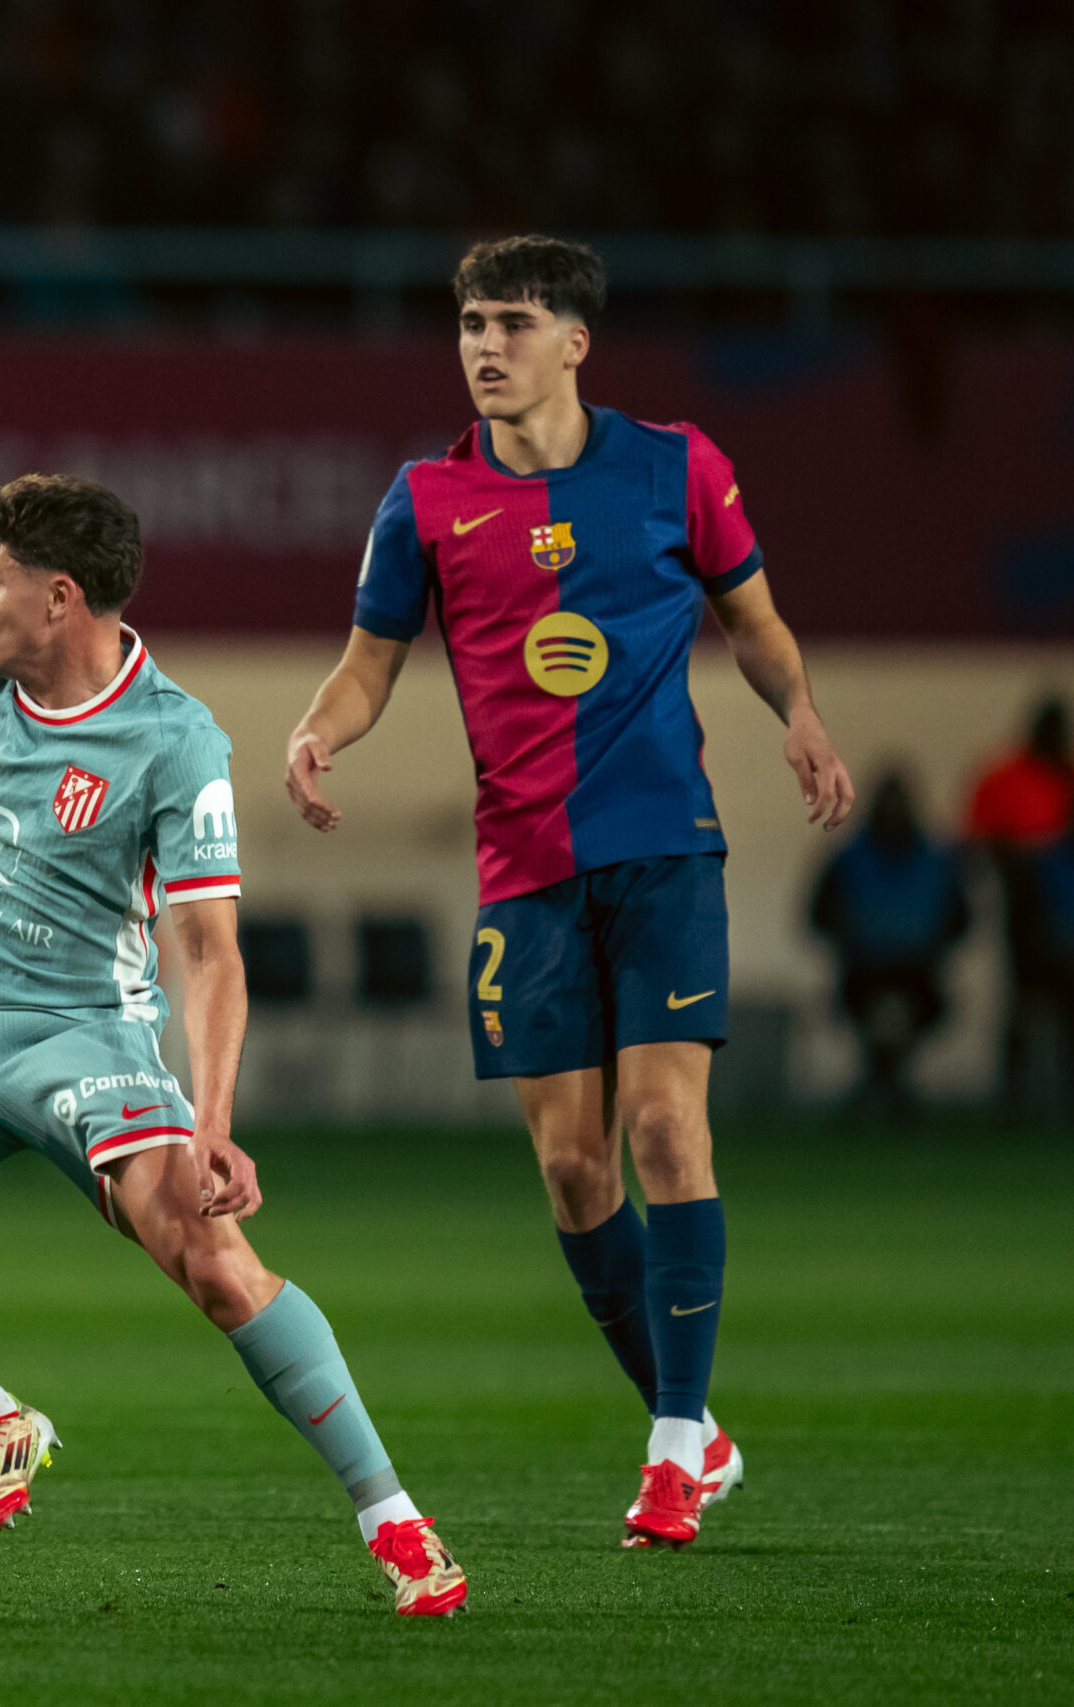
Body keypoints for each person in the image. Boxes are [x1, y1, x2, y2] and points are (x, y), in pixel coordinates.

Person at [0, 474, 469, 1619]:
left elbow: (208, 952)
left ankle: (391, 1517)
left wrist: (214, 1123)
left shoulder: (174, 741)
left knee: (213, 1264)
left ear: (60, 598)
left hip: (88, 1034)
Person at [284, 235, 856, 1551]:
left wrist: (804, 716)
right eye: (472, 323)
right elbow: (371, 660)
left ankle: (668, 1451)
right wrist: (323, 729)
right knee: (573, 1165)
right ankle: (690, 1419)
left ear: (575, 342)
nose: (486, 346)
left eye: (514, 323)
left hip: (664, 847)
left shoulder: (677, 466)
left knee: (664, 1128)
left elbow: (753, 619)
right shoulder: (425, 498)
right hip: (524, 872)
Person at [810, 774, 969, 1120]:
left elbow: (961, 919)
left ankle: (881, 1086)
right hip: (864, 970)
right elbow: (817, 914)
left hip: (919, 972)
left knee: (907, 1018)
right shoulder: (849, 859)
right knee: (876, 1019)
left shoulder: (937, 861)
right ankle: (890, 1090)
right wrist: (849, 938)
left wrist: (934, 945)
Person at [962, 698, 1074, 1111]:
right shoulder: (1002, 777)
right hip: (1025, 909)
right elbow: (974, 841)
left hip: (1066, 910)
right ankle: (1015, 1096)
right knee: (1024, 1004)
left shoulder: (1067, 776)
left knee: (1067, 1010)